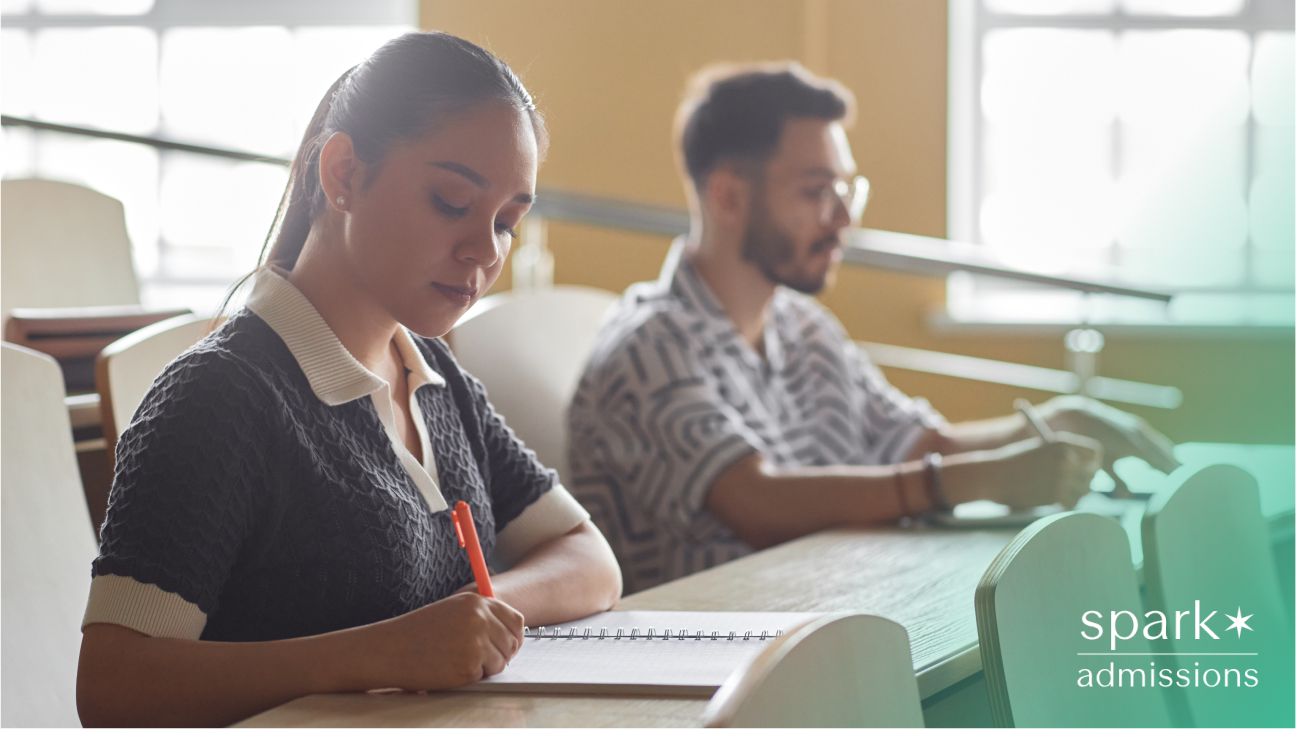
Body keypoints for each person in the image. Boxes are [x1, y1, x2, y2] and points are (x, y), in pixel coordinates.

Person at [76, 32, 622, 727]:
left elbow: (589, 559)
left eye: (508, 221)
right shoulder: (218, 400)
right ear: (343, 174)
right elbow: (112, 687)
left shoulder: (435, 378)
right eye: (452, 202)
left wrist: (477, 615)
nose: (484, 251)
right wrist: (382, 652)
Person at [566, 62, 1178, 595]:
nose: (842, 219)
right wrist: (979, 480)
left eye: (846, 189)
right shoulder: (647, 348)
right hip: (710, 672)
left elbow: (917, 445)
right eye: (815, 191)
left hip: (830, 620)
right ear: (727, 197)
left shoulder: (806, 329)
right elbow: (757, 501)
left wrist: (1054, 422)